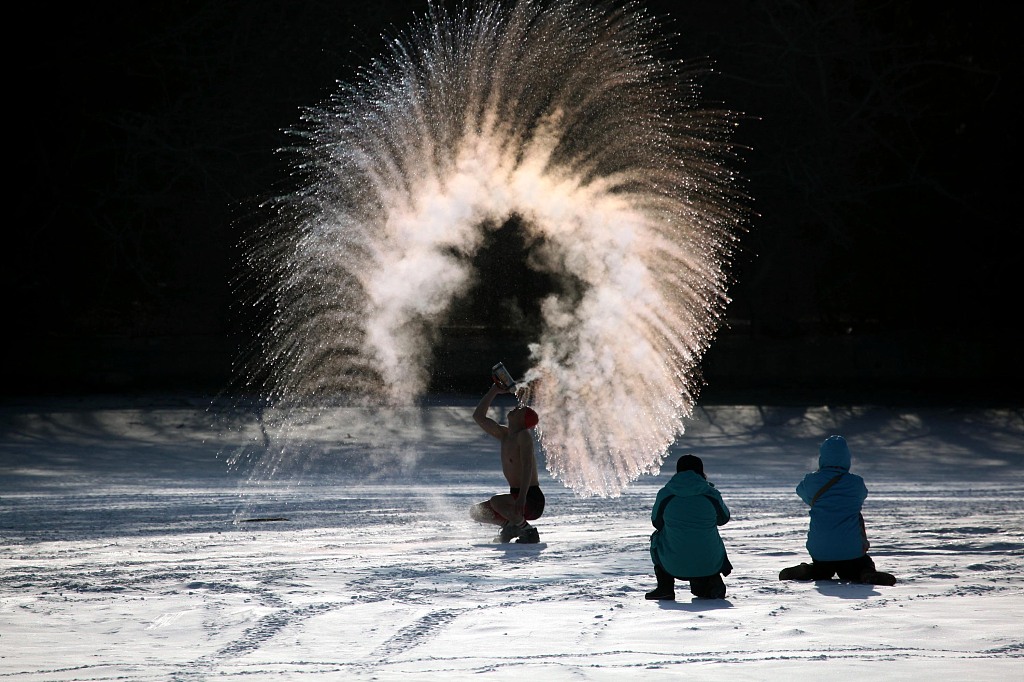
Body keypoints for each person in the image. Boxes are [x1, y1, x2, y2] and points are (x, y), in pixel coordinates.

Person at [779, 435, 897, 585]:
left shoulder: (811, 480)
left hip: (820, 549)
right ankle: (866, 573)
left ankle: (808, 571)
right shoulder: (856, 482)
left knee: (822, 570)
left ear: (822, 458)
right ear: (847, 458)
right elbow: (861, 497)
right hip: (851, 549)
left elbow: (801, 492)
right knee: (860, 565)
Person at [646, 454, 732, 601]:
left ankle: (665, 587)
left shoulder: (665, 494)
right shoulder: (711, 494)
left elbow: (657, 523)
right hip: (709, 562)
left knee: (657, 538)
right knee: (708, 537)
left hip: (672, 563)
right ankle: (712, 582)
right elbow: (723, 519)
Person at [469, 382, 544, 543]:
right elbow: (478, 417)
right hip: (517, 496)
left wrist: (522, 498)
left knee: (496, 501)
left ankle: (528, 531)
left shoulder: (523, 436)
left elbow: (528, 467)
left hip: (531, 499)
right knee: (477, 511)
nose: (515, 408)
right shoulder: (504, 434)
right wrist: (494, 390)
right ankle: (511, 526)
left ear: (523, 420)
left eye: (519, 410)